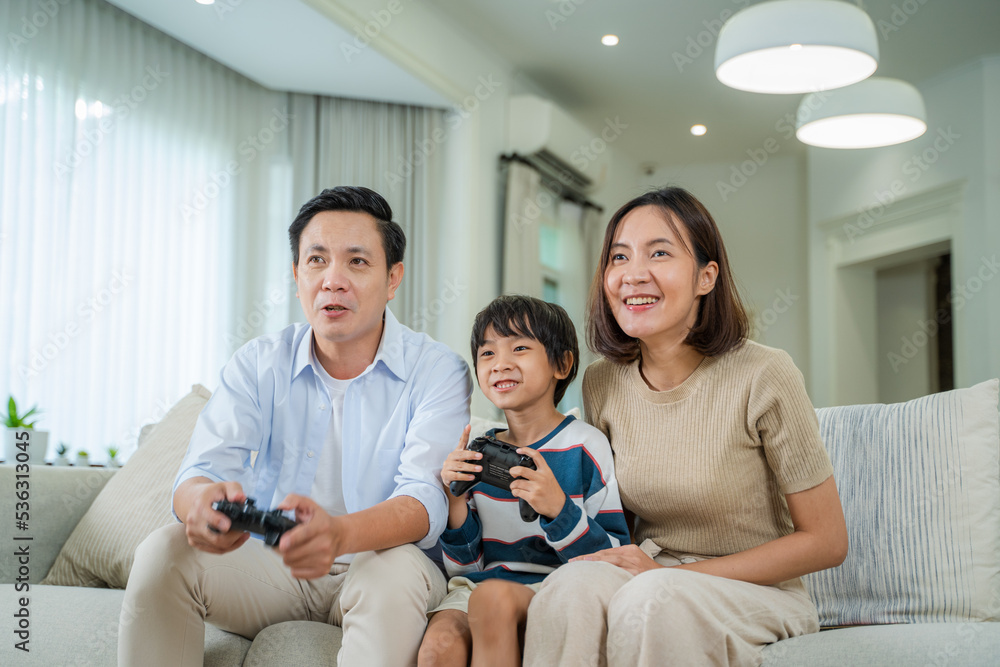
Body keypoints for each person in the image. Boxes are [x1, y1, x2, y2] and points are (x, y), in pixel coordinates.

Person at [119, 186, 472, 666]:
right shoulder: (259, 362)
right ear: (296, 274)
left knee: (390, 576)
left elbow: (423, 503)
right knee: (164, 551)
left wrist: (338, 534)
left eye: (357, 262)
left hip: (382, 564)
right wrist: (200, 507)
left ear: (393, 278)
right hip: (276, 567)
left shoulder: (438, 370)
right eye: (317, 261)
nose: (333, 280)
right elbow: (199, 469)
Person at [524, 187, 849, 667]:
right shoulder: (602, 381)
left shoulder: (764, 374)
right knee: (567, 589)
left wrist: (678, 574)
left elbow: (827, 541)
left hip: (755, 592)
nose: (634, 274)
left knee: (653, 599)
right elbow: (615, 515)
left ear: (706, 276)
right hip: (652, 574)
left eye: (659, 252)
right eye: (619, 256)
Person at [418, 295, 630, 667]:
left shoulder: (584, 445)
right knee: (439, 646)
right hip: (477, 588)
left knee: (493, 601)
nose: (501, 364)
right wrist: (454, 502)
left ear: (562, 364)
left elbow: (614, 560)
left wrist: (559, 510)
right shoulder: (478, 452)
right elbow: (466, 569)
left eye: (519, 348)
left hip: (554, 587)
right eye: (487, 354)